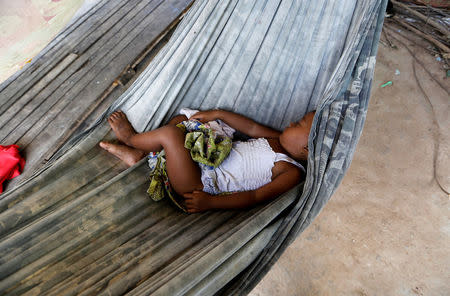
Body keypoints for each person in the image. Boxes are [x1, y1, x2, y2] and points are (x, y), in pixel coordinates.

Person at [99, 109, 315, 213]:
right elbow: (250, 128)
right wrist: (217, 114)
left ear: (305, 149)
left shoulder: (291, 172)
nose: (290, 122)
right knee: (185, 120)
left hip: (199, 183)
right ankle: (141, 155)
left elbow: (255, 196)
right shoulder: (278, 138)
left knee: (170, 135)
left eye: (297, 124)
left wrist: (211, 203)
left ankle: (132, 140)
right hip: (206, 156)